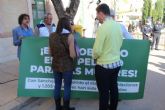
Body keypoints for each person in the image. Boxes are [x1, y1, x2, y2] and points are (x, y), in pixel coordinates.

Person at [93, 4, 123, 110]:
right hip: (116, 63)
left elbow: (97, 50)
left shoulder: (103, 28)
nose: (97, 17)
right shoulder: (118, 26)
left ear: (101, 13)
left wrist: (94, 57)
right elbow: (120, 43)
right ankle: (113, 108)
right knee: (114, 88)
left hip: (104, 66)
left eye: (97, 15)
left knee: (104, 93)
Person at [49, 17, 76, 110]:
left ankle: (57, 107)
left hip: (56, 64)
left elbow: (50, 53)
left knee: (57, 85)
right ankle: (66, 107)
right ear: (68, 25)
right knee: (67, 87)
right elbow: (72, 54)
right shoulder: (70, 36)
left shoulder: (52, 35)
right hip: (67, 66)